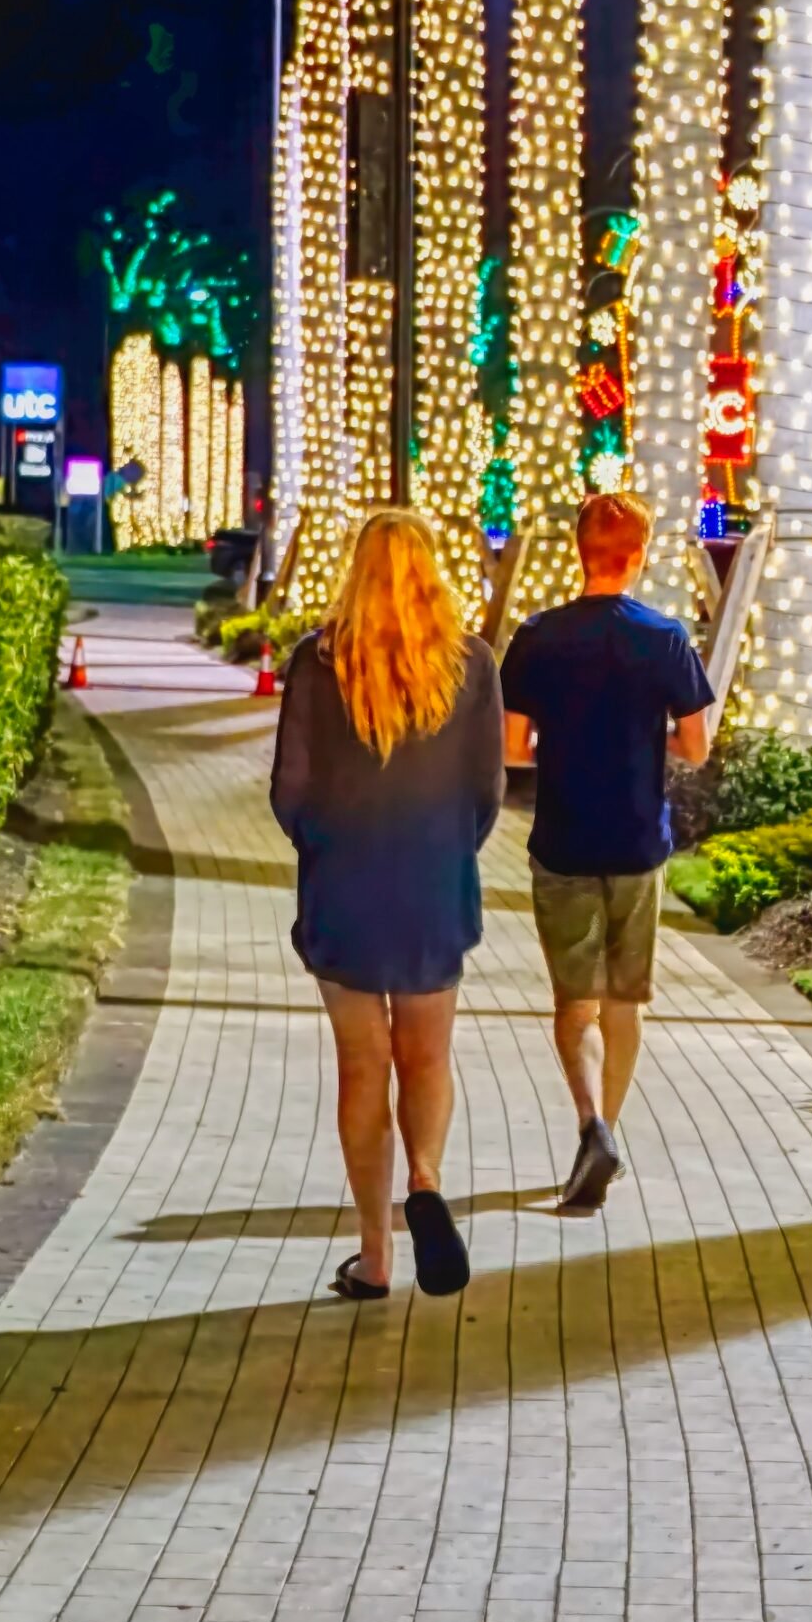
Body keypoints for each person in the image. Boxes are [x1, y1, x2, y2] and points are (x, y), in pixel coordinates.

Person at [270, 509, 503, 1301]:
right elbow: (487, 790)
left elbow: (289, 789)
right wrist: (448, 851)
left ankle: (375, 1256)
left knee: (362, 1065)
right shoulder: (471, 664)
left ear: (357, 572)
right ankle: (426, 1180)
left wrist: (325, 848)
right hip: (433, 884)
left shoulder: (317, 663)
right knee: (428, 1057)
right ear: (430, 573)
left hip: (345, 889)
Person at [501, 491, 713, 1209]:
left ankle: (592, 1125)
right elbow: (696, 746)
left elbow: (513, 748)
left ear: (579, 550)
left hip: (563, 840)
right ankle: (608, 1136)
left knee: (575, 1003)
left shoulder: (537, 637)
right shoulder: (665, 638)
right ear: (639, 555)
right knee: (625, 1000)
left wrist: (564, 742)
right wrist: (650, 738)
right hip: (638, 842)